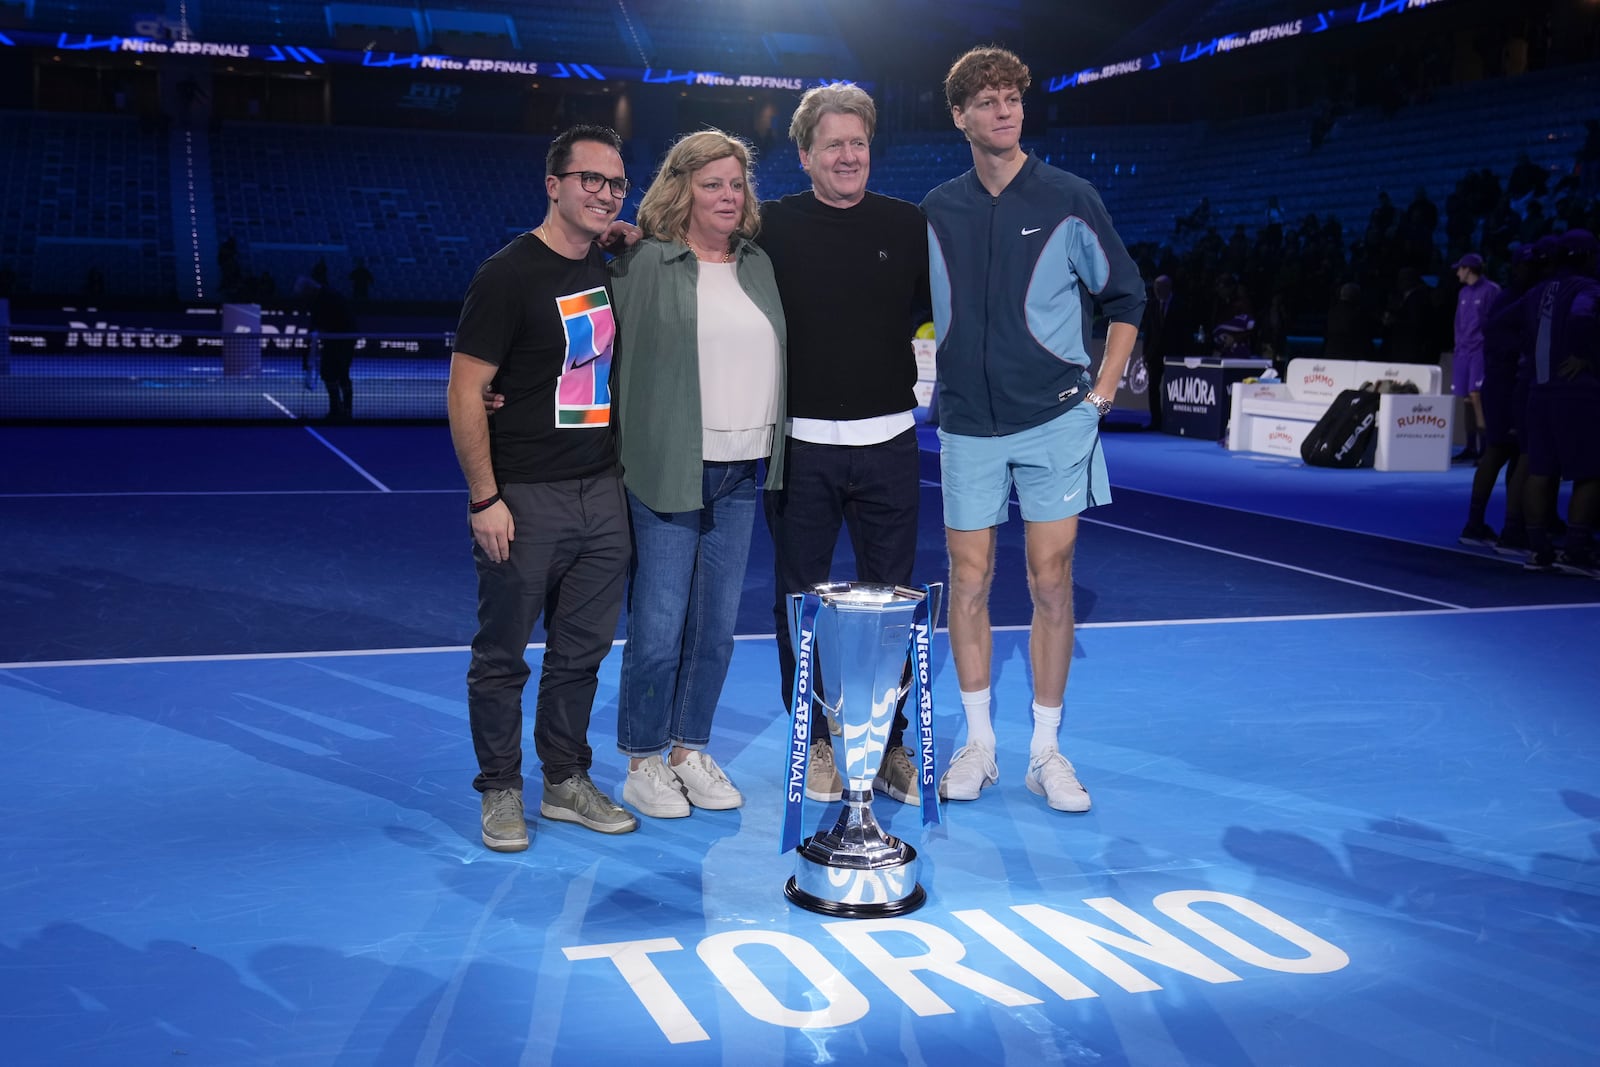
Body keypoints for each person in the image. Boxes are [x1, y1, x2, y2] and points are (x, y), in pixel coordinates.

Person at [921, 47, 1145, 813]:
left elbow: (1125, 299)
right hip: (969, 426)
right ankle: (979, 744)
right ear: (959, 116)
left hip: (1056, 419)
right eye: (986, 101)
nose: (1004, 110)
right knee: (970, 580)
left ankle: (1046, 750)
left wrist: (1102, 394)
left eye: (1012, 96)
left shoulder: (1070, 197)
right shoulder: (938, 209)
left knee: (1051, 580)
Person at [447, 124, 639, 852]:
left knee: (580, 654)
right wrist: (484, 497)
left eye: (616, 183)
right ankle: (501, 787)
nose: (604, 193)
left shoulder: (609, 260)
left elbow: (649, 229)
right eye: (589, 179)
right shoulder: (506, 275)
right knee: (502, 656)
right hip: (523, 497)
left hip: (602, 491)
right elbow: (467, 392)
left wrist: (623, 228)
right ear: (552, 184)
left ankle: (565, 779)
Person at [758, 83, 932, 805]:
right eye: (833, 143)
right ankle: (820, 745)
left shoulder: (909, 224)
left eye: (858, 142)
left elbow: (957, 306)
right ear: (804, 155)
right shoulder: (767, 226)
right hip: (801, 449)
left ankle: (888, 746)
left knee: (892, 608)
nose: (848, 155)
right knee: (801, 607)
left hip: (890, 444)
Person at [610, 129, 787, 819]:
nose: (726, 195)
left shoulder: (759, 264)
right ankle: (643, 759)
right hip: (666, 468)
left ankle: (689, 748)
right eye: (712, 183)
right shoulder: (645, 261)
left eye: (736, 184)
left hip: (743, 473)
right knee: (657, 628)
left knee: (715, 629)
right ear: (682, 189)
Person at [1449, 252, 1500, 465]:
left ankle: (1486, 448)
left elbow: (1496, 320)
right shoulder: (1463, 293)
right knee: (1467, 399)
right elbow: (1458, 322)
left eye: (1460, 268)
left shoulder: (1492, 290)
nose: (1457, 272)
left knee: (1477, 395)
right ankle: (1471, 447)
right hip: (1463, 351)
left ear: (1468, 269)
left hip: (1480, 349)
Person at [302, 278, 357, 421]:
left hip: (343, 340)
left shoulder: (328, 297)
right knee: (328, 373)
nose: (303, 296)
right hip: (333, 340)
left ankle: (346, 410)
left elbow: (325, 321)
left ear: (310, 289)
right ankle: (336, 409)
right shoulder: (320, 298)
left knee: (341, 374)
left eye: (304, 292)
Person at [1140, 274, 1184, 431]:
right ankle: (1156, 421)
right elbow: (1148, 331)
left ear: (1168, 288)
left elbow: (1183, 332)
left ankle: (1173, 421)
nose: (1157, 291)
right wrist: (1145, 353)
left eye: (1160, 288)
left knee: (1173, 389)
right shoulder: (1152, 305)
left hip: (1174, 355)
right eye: (1155, 288)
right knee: (1153, 388)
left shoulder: (1180, 305)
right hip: (1155, 354)